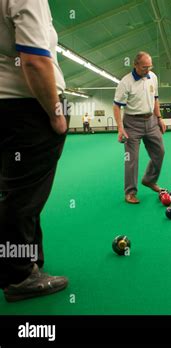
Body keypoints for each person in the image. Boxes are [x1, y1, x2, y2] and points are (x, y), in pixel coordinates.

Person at [0, 0, 69, 302]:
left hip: (8, 106)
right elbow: (34, 60)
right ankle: (18, 276)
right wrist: (55, 113)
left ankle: (28, 263)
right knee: (23, 198)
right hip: (27, 107)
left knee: (17, 191)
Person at [113, 51, 166, 204]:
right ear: (135, 65)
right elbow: (117, 107)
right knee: (131, 159)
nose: (147, 70)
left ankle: (149, 180)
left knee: (159, 152)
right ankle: (130, 192)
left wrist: (159, 118)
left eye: (150, 67)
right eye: (144, 67)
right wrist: (120, 128)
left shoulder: (153, 77)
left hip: (151, 121)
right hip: (132, 124)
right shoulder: (125, 82)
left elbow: (155, 99)